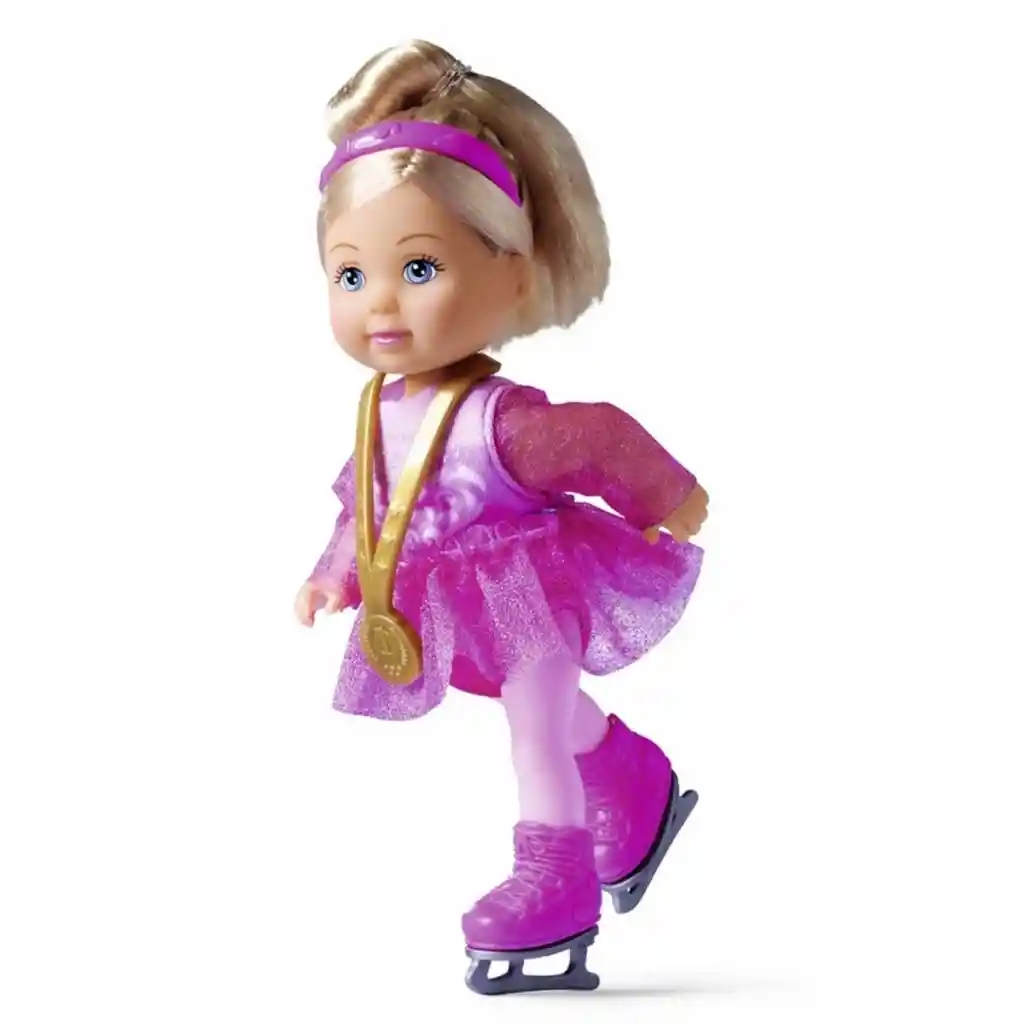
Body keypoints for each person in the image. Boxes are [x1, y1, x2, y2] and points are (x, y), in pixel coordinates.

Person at [293, 39, 709, 995]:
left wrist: (669, 501)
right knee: (544, 715)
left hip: (533, 590)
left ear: (514, 276)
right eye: (351, 276)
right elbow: (367, 503)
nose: (380, 303)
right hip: (459, 600)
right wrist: (333, 573)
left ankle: (554, 878)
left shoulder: (500, 419)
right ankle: (631, 778)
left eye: (419, 268)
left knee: (533, 730)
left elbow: (596, 438)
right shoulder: (378, 409)